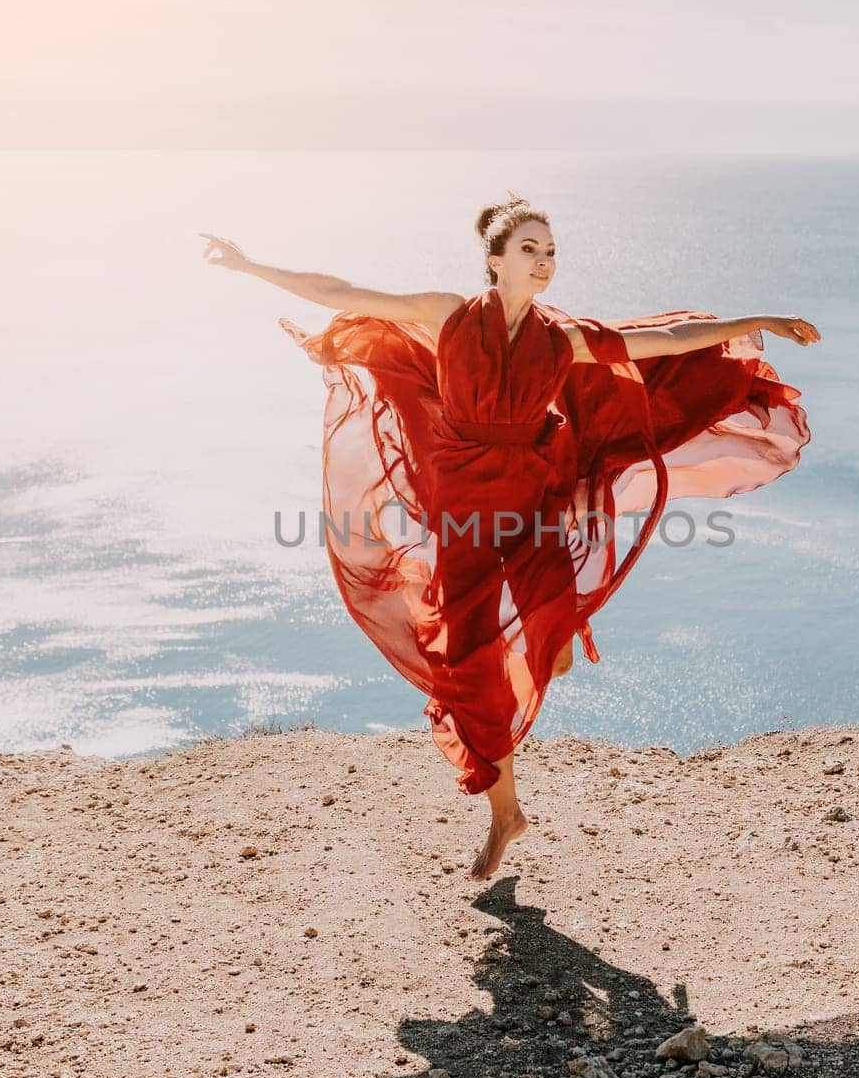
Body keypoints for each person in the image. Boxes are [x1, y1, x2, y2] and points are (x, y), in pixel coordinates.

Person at [200, 195, 819, 879]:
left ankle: (551, 645)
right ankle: (505, 815)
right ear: (495, 261)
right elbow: (345, 292)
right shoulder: (448, 314)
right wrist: (249, 265)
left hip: (534, 503)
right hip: (464, 511)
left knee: (549, 637)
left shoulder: (565, 339)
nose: (543, 261)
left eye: (549, 251)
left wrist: (757, 321)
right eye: (528, 249)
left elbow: (667, 343)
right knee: (466, 673)